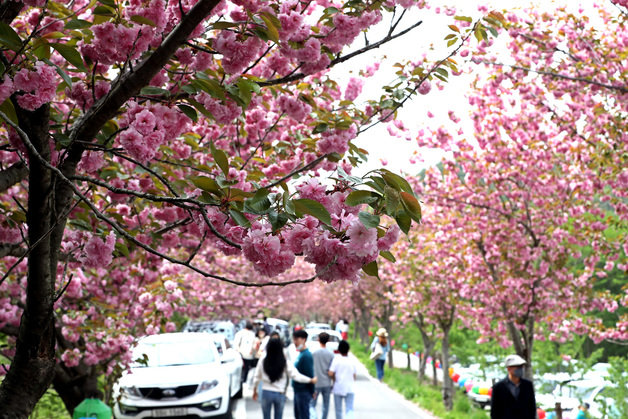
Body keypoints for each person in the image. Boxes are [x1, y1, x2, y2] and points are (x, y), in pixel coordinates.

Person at [253, 338, 317, 419]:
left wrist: (255, 390)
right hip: (280, 393)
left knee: (266, 417)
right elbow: (295, 375)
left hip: (266, 392)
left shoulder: (263, 360)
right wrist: (310, 380)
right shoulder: (284, 361)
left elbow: (256, 377)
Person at [490, 354, 536, 419]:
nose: (521, 369)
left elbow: (532, 408)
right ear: (509, 369)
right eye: (518, 367)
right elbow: (494, 412)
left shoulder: (527, 385)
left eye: (522, 367)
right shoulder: (498, 387)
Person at [329, 340, 357, 419]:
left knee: (338, 410)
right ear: (348, 349)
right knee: (349, 409)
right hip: (350, 388)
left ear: (339, 350)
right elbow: (354, 375)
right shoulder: (352, 360)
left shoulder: (336, 359)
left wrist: (334, 379)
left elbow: (331, 373)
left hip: (338, 387)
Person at [291, 329, 315, 419]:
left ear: (304, 340)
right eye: (294, 339)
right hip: (298, 390)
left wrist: (312, 390)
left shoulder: (306, 355)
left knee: (303, 415)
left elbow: (310, 374)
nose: (295, 342)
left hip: (303, 391)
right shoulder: (300, 354)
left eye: (297, 339)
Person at [311, 332, 334, 419]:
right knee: (326, 405)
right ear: (328, 340)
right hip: (327, 383)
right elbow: (332, 370)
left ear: (318, 339)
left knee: (312, 404)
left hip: (315, 382)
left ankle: (314, 417)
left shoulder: (313, 352)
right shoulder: (331, 354)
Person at [234, 321, 256, 386]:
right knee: (246, 369)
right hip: (249, 355)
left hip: (242, 354)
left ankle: (242, 381)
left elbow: (236, 344)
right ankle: (244, 381)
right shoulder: (252, 334)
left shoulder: (240, 333)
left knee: (243, 369)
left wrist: (238, 351)